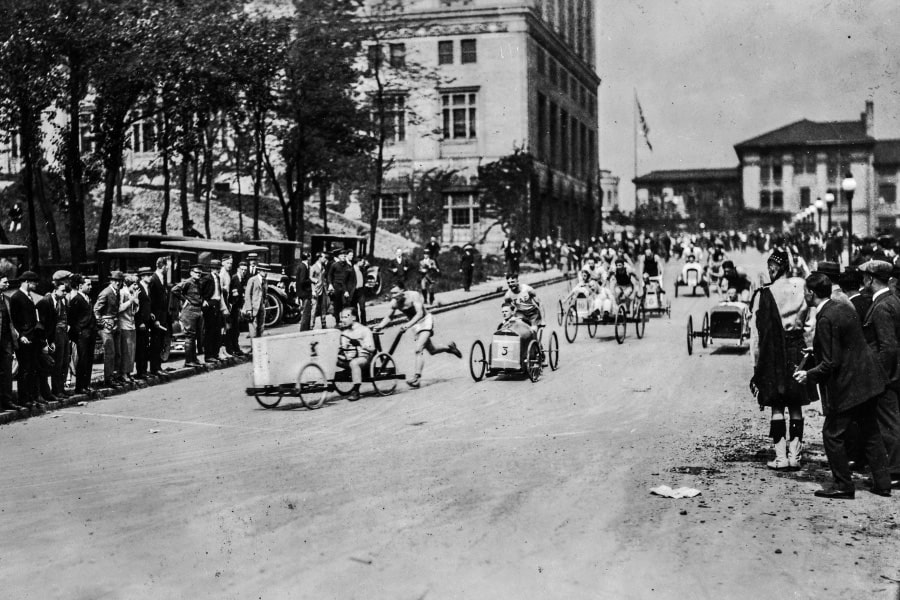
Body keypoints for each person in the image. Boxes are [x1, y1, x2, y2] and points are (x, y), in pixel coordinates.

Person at [794, 272, 892, 499]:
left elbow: (831, 363)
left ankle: (843, 485)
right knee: (870, 432)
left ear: (810, 293)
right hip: (868, 380)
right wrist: (817, 350)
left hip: (849, 386)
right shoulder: (842, 307)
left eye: (805, 292)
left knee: (832, 434)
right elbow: (846, 345)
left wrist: (808, 374)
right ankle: (883, 484)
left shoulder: (825, 318)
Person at [749, 249, 813, 471]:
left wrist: (757, 366)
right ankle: (795, 457)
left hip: (774, 352)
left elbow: (757, 335)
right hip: (797, 349)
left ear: (773, 269)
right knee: (796, 404)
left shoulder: (765, 293)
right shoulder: (802, 286)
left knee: (776, 404)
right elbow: (810, 326)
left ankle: (780, 457)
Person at [858, 260, 900, 486]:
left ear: (871, 279)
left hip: (886, 376)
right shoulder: (892, 300)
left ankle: (894, 472)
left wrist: (880, 377)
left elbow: (888, 347)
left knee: (888, 422)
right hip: (894, 373)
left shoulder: (882, 306)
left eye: (864, 277)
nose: (862, 281)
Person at [374, 285, 461, 388]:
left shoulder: (413, 295)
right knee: (432, 350)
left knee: (418, 349)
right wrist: (380, 326)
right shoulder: (394, 303)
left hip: (425, 321)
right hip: (415, 325)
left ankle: (416, 378)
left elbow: (419, 314)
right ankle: (449, 348)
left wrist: (407, 325)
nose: (393, 296)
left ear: (402, 291)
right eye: (392, 293)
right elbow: (389, 317)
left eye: (395, 293)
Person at [38, 271, 72, 398]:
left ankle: (61, 388)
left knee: (64, 361)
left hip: (63, 333)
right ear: (55, 289)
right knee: (56, 362)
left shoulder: (62, 300)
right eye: (62, 290)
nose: (64, 293)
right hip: (55, 334)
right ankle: (56, 389)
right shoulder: (47, 300)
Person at [337, 307, 376, 402]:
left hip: (364, 358)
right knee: (331, 359)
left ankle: (356, 390)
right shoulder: (345, 332)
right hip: (349, 358)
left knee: (354, 363)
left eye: (345, 317)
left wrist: (360, 344)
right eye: (341, 317)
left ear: (353, 317)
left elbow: (372, 348)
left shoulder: (364, 330)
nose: (342, 320)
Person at [171, 264, 206, 367]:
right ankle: (188, 361)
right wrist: (184, 299)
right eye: (196, 272)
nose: (198, 274)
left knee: (194, 336)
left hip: (197, 309)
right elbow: (174, 289)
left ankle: (193, 359)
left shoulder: (198, 283)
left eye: (200, 273)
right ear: (191, 272)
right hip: (189, 310)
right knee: (190, 336)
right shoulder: (187, 282)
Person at [94, 271, 124, 386]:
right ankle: (108, 379)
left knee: (117, 352)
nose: (117, 283)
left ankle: (115, 376)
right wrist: (102, 323)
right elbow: (96, 310)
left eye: (119, 281)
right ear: (111, 281)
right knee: (110, 352)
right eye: (115, 281)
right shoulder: (106, 293)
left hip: (116, 323)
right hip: (106, 326)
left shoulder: (117, 292)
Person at [68, 275, 96, 394]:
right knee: (82, 359)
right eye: (88, 284)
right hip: (82, 334)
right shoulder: (76, 299)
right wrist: (79, 332)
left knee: (89, 359)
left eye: (90, 284)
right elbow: (72, 318)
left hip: (90, 333)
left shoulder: (88, 298)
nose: (90, 287)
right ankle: (80, 386)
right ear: (80, 286)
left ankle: (87, 384)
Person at [0, 276, 22, 410]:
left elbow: (10, 321)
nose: (8, 284)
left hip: (6, 341)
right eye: (5, 282)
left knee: (7, 372)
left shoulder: (7, 299)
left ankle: (7, 401)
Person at [147, 257, 170, 374]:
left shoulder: (163, 278)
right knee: (155, 342)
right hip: (156, 316)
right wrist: (154, 317)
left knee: (160, 341)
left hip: (163, 315)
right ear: (162, 266)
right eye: (167, 266)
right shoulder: (153, 279)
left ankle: (158, 366)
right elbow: (150, 299)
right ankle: (154, 368)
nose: (168, 268)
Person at [116, 274, 140, 379]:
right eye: (134, 284)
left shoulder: (132, 293)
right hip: (124, 325)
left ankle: (129, 372)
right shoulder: (122, 293)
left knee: (131, 350)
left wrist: (136, 301)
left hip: (131, 325)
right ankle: (123, 373)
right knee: (125, 350)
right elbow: (119, 308)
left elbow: (134, 312)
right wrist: (131, 300)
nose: (136, 286)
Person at [134, 267, 154, 378]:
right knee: (141, 347)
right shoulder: (138, 288)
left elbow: (146, 305)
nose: (150, 277)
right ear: (142, 277)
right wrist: (140, 321)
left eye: (150, 275)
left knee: (145, 346)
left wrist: (150, 313)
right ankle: (140, 371)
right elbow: (137, 307)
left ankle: (144, 370)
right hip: (141, 322)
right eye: (148, 275)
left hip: (146, 320)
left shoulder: (147, 287)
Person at [226, 261, 247, 355]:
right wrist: (236, 306)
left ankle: (235, 348)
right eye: (242, 269)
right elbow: (233, 294)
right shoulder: (235, 278)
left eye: (245, 270)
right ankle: (232, 348)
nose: (243, 271)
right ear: (238, 269)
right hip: (233, 307)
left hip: (237, 306)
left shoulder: (243, 279)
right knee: (232, 329)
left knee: (236, 329)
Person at [243, 262, 268, 343]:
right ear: (259, 271)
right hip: (253, 307)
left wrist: (264, 304)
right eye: (263, 271)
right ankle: (253, 348)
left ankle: (259, 348)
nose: (265, 272)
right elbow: (247, 295)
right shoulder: (252, 280)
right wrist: (249, 308)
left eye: (266, 271)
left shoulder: (265, 281)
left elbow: (265, 294)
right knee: (253, 328)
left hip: (261, 307)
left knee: (261, 327)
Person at [328, 248, 352, 321]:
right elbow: (329, 275)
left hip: (345, 287)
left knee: (345, 303)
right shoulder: (334, 265)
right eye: (341, 256)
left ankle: (344, 319)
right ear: (338, 257)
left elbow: (350, 277)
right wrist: (330, 284)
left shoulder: (348, 265)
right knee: (337, 303)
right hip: (336, 286)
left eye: (344, 256)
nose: (343, 257)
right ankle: (337, 320)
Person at [309, 253, 328, 329]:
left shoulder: (323, 267)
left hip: (323, 289)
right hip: (316, 289)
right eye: (324, 257)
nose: (325, 259)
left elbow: (324, 277)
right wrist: (313, 290)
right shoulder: (313, 267)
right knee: (314, 308)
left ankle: (323, 323)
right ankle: (311, 325)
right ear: (319, 258)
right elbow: (310, 278)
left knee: (324, 307)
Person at [295, 252, 313, 331]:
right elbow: (302, 281)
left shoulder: (302, 266)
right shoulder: (303, 267)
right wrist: (311, 280)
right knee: (306, 311)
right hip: (305, 292)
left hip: (302, 292)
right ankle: (304, 329)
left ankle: (305, 328)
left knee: (306, 311)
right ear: (308, 258)